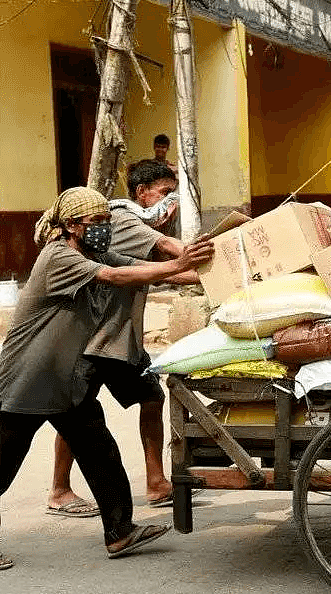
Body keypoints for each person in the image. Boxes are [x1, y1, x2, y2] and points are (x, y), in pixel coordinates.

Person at [0, 187, 213, 569]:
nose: (103, 228)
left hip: (65, 381)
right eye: (95, 222)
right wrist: (178, 266)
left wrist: (211, 273)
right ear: (71, 226)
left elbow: (137, 271)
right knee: (3, 463)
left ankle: (120, 532)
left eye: (106, 221)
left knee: (100, 452)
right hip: (27, 380)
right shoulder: (58, 257)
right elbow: (115, 275)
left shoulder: (93, 252)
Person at [47, 161, 188, 516]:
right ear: (142, 193)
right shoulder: (123, 220)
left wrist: (211, 279)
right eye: (164, 193)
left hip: (122, 338)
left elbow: (157, 271)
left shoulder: (125, 227)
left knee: (151, 397)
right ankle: (59, 489)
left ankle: (156, 482)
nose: (169, 203)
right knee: (75, 415)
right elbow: (170, 253)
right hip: (95, 339)